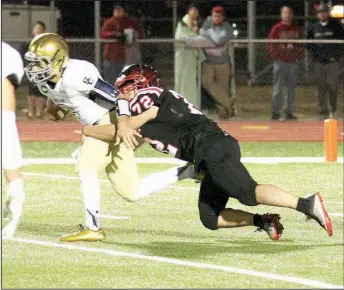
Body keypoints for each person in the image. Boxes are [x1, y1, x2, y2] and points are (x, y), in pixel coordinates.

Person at [84, 64, 333, 240]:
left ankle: (307, 204)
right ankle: (263, 221)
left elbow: (125, 127)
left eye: (127, 86)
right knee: (210, 218)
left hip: (211, 145)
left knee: (247, 192)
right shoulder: (145, 111)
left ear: (141, 83)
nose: (123, 93)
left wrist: (89, 128)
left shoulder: (146, 96)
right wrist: (98, 132)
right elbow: (124, 136)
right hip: (207, 152)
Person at [24, 33, 195, 242]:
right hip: (103, 124)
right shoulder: (48, 81)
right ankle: (189, 171)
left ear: (57, 60)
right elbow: (59, 98)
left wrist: (125, 125)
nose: (34, 69)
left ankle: (93, 228)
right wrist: (57, 108)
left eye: (39, 63)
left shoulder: (76, 75)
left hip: (108, 123)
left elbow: (117, 97)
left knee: (84, 167)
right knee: (133, 191)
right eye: (33, 63)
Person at [1, 42, 26, 238]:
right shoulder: (8, 53)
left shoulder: (7, 53)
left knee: (11, 169)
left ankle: (14, 220)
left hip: (3, 116)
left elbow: (7, 90)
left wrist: (6, 121)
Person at [306, 4, 344, 120]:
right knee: (321, 87)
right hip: (319, 63)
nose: (322, 14)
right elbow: (308, 43)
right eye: (320, 12)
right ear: (317, 14)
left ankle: (333, 110)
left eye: (324, 12)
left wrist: (336, 56)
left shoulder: (335, 26)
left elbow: (341, 43)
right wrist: (315, 56)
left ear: (327, 13)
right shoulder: (313, 27)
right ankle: (323, 111)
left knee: (333, 87)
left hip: (332, 62)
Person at [268, 6, 303, 121]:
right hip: (280, 62)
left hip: (293, 63)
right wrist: (277, 57)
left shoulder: (296, 28)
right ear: (281, 14)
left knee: (291, 89)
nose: (287, 15)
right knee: (278, 89)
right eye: (285, 12)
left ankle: (289, 112)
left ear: (292, 15)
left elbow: (300, 45)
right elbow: (272, 45)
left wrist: (297, 56)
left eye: (289, 13)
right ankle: (275, 112)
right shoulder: (276, 28)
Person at [199, 6, 234, 119]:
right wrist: (208, 33)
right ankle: (228, 102)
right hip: (208, 61)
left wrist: (208, 32)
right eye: (214, 16)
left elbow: (219, 41)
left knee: (222, 88)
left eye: (219, 16)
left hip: (223, 62)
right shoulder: (207, 23)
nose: (216, 18)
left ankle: (225, 115)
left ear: (223, 17)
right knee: (205, 81)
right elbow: (200, 33)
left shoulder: (227, 27)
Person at [100, 4, 144, 84]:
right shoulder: (109, 22)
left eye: (120, 10)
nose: (117, 12)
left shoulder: (130, 22)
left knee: (128, 82)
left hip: (127, 59)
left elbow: (140, 34)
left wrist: (131, 35)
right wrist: (115, 34)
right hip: (111, 58)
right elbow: (102, 34)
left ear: (124, 11)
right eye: (116, 10)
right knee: (111, 82)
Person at [174, 4, 205, 106]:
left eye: (196, 11)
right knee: (181, 80)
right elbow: (180, 37)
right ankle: (180, 104)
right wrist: (194, 36)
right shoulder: (182, 23)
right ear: (189, 12)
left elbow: (201, 39)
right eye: (193, 10)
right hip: (182, 56)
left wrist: (195, 36)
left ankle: (192, 105)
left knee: (191, 82)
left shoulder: (198, 24)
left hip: (192, 58)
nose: (194, 13)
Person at [19, 21, 47, 119]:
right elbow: (25, 55)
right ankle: (30, 111)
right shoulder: (29, 44)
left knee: (40, 92)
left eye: (40, 28)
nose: (37, 30)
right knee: (31, 93)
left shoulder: (45, 43)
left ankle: (39, 112)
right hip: (32, 70)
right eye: (36, 28)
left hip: (42, 70)